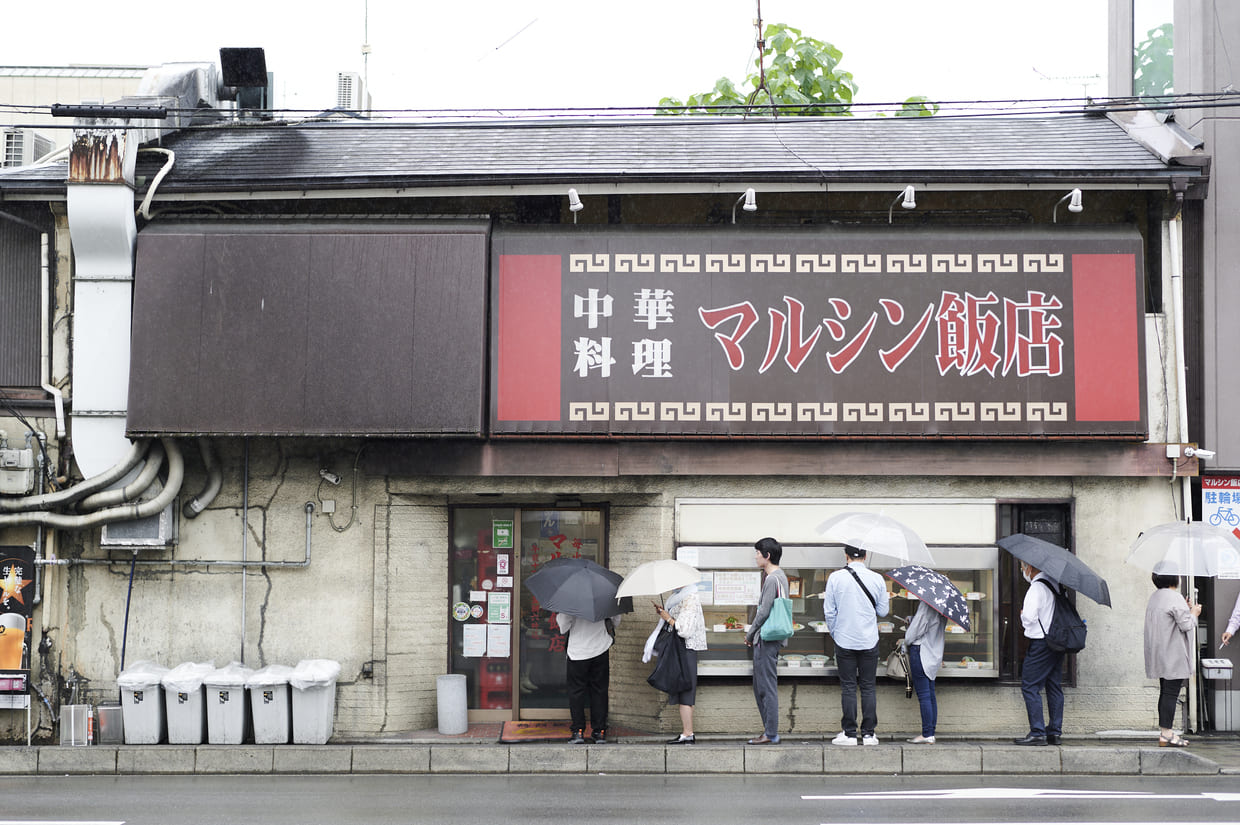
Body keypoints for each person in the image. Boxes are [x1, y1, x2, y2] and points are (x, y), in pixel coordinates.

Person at [822, 544, 890, 746]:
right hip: (869, 640)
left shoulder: (835, 577)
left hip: (844, 640)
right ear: (866, 555)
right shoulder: (877, 578)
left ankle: (850, 733)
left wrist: (836, 633)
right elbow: (884, 611)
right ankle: (869, 734)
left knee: (849, 688)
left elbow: (829, 612)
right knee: (869, 687)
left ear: (846, 556)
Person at [1144, 572, 1200, 747]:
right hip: (1173, 653)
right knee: (1170, 693)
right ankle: (1167, 733)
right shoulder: (1174, 597)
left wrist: (1186, 609)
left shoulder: (1155, 597)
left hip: (1159, 652)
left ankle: (1164, 733)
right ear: (1174, 579)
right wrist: (1194, 613)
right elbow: (1187, 624)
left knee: (1165, 692)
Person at [647, 583, 707, 744]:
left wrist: (668, 618)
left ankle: (688, 734)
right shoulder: (679, 598)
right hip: (681, 650)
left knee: (685, 692)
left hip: (685, 649)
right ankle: (687, 733)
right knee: (683, 692)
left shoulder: (690, 598)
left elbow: (684, 630)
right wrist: (664, 613)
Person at [1013, 561, 1064, 746]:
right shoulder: (1055, 585)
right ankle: (1054, 732)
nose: (1023, 571)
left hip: (1041, 642)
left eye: (1023, 567)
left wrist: (1022, 614)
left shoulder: (1036, 588)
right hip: (1056, 641)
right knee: (1054, 686)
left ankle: (1037, 732)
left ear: (1031, 568)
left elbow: (1029, 618)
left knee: (1029, 685)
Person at [744, 537, 789, 745]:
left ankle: (771, 733)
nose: (755, 556)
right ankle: (770, 731)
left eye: (757, 553)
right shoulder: (780, 576)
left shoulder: (772, 579)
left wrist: (750, 633)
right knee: (762, 686)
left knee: (765, 687)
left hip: (767, 638)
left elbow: (763, 612)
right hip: (773, 638)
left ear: (767, 556)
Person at [556, 611, 619, 744]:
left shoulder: (571, 599)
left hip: (578, 651)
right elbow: (616, 621)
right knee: (600, 691)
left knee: (576, 692)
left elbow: (563, 627)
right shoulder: (606, 595)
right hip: (601, 648)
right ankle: (599, 732)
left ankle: (578, 731)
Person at [903, 599, 947, 744]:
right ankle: (930, 732)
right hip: (934, 653)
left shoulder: (927, 604)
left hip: (921, 652)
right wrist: (913, 619)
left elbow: (912, 634)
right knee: (930, 694)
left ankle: (927, 733)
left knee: (923, 695)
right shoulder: (942, 605)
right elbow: (930, 624)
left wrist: (907, 634)